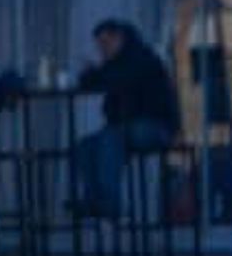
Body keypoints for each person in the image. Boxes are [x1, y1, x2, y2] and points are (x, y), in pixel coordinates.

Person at [71, 18, 179, 221]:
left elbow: (114, 80)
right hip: (127, 128)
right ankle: (94, 199)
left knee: (110, 138)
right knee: (85, 146)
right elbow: (93, 83)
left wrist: (95, 72)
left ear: (119, 38)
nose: (102, 49)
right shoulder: (115, 64)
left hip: (156, 127)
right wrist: (91, 73)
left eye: (105, 43)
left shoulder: (140, 58)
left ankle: (110, 202)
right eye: (99, 45)